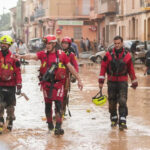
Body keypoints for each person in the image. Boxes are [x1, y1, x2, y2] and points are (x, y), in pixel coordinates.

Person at [15, 35, 83, 135]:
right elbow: (32, 56)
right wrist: (21, 56)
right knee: (48, 106)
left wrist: (79, 79)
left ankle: (58, 127)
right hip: (46, 84)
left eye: (49, 44)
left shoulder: (62, 55)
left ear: (54, 44)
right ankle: (50, 126)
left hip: (59, 84)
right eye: (46, 44)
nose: (47, 46)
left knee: (59, 105)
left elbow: (71, 67)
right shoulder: (43, 54)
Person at [99, 36, 138, 130]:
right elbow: (103, 67)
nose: (117, 45)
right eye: (115, 43)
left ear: (122, 43)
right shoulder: (108, 55)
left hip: (122, 82)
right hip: (111, 81)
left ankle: (123, 120)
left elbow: (131, 69)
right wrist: (101, 81)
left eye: (118, 43)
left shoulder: (127, 55)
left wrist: (134, 81)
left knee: (122, 100)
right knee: (112, 101)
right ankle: (113, 118)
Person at [0, 35, 22, 134]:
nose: (3, 45)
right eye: (2, 43)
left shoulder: (14, 58)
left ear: (9, 45)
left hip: (11, 85)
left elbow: (18, 72)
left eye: (5, 44)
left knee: (10, 107)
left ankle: (10, 122)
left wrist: (19, 85)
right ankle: (0, 122)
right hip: (0, 85)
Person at [61, 36, 79, 117]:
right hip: (58, 77)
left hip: (67, 77)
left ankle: (63, 111)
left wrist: (75, 76)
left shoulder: (71, 55)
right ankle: (57, 111)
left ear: (69, 44)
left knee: (65, 95)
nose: (64, 45)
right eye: (63, 43)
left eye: (66, 43)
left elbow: (75, 65)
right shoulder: (58, 52)